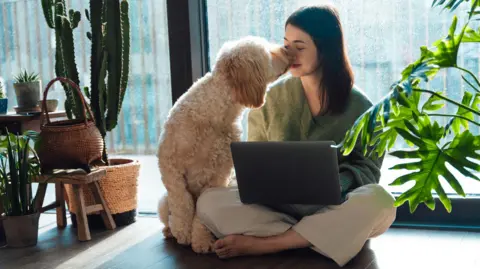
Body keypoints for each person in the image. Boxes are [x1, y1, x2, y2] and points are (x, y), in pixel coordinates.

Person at [196, 4, 396, 267]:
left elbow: (369, 170)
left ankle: (270, 244)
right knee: (209, 201)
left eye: (300, 47)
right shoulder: (269, 100)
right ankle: (316, 238)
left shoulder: (363, 108)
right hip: (276, 210)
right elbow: (253, 164)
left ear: (326, 49)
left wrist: (338, 184)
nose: (289, 54)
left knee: (381, 202)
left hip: (332, 209)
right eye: (286, 44)